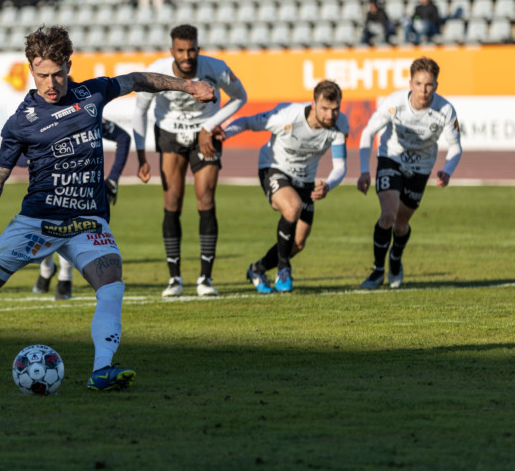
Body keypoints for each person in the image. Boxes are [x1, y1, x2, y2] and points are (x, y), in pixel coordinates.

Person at [0, 25, 216, 391]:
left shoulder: (92, 94)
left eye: (58, 73)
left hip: (88, 222)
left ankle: (101, 369)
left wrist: (188, 86)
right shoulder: (20, 123)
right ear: (31, 71)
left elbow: (137, 79)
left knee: (112, 284)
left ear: (69, 66)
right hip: (38, 221)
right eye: (42, 75)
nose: (51, 83)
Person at [132, 24, 248, 297]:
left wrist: (213, 125)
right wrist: (141, 157)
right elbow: (140, 111)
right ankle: (175, 279)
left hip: (205, 134)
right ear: (171, 51)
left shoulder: (215, 67)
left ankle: (205, 280)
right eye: (181, 50)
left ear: (198, 48)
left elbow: (240, 97)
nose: (187, 56)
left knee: (205, 199)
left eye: (191, 49)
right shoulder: (157, 70)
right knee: (171, 200)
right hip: (169, 134)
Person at [222, 80, 348, 293]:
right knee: (292, 207)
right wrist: (223, 135)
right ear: (314, 104)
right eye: (325, 109)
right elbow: (246, 122)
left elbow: (341, 166)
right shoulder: (287, 116)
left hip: (306, 180)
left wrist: (329, 185)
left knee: (297, 243)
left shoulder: (340, 125)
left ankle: (257, 269)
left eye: (335, 110)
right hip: (273, 167)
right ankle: (283, 268)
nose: (330, 115)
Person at [357, 57, 462, 290]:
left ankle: (395, 258)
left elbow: (455, 145)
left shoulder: (445, 109)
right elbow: (367, 133)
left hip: (421, 167)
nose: (423, 90)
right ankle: (377, 270)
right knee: (388, 214)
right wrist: (365, 170)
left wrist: (447, 171)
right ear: (410, 82)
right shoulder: (394, 103)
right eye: (418, 83)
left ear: (436, 84)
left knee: (401, 224)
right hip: (391, 158)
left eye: (429, 85)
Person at [32, 118, 131, 300]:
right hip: (48, 183)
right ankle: (46, 269)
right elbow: (22, 154)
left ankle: (65, 278)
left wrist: (113, 178)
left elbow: (123, 137)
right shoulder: (41, 120)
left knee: (70, 227)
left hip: (81, 187)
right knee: (41, 227)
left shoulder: (87, 117)